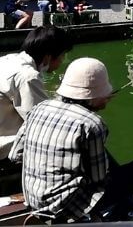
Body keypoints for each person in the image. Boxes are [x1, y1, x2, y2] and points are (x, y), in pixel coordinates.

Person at [9, 58, 133, 222]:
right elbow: (98, 179)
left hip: (34, 200)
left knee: (101, 154)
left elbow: (15, 155)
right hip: (67, 207)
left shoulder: (39, 108)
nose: (107, 98)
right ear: (92, 95)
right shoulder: (91, 123)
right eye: (104, 95)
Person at [0, 26, 73, 191]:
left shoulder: (7, 60)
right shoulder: (27, 76)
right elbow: (42, 124)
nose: (62, 61)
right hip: (5, 149)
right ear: (48, 57)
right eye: (62, 56)